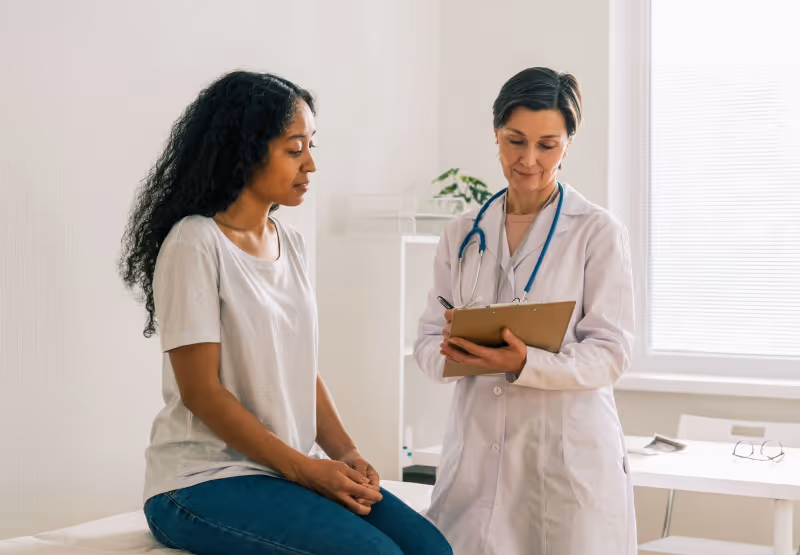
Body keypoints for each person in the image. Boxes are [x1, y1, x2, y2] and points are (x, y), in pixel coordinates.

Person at [120, 70, 451, 555]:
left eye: (311, 147)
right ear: (245, 152)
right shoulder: (195, 242)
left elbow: (301, 370)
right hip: (199, 482)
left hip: (282, 469)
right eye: (295, 149)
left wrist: (345, 453)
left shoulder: (290, 243)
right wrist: (305, 468)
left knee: (431, 549)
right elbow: (201, 392)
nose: (311, 165)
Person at [414, 67, 636, 554]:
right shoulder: (462, 232)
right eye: (515, 141)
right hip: (476, 458)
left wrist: (525, 363)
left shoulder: (596, 231)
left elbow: (612, 352)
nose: (528, 160)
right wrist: (452, 351)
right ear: (496, 134)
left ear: (569, 145)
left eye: (547, 145)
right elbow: (427, 341)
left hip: (565, 457)